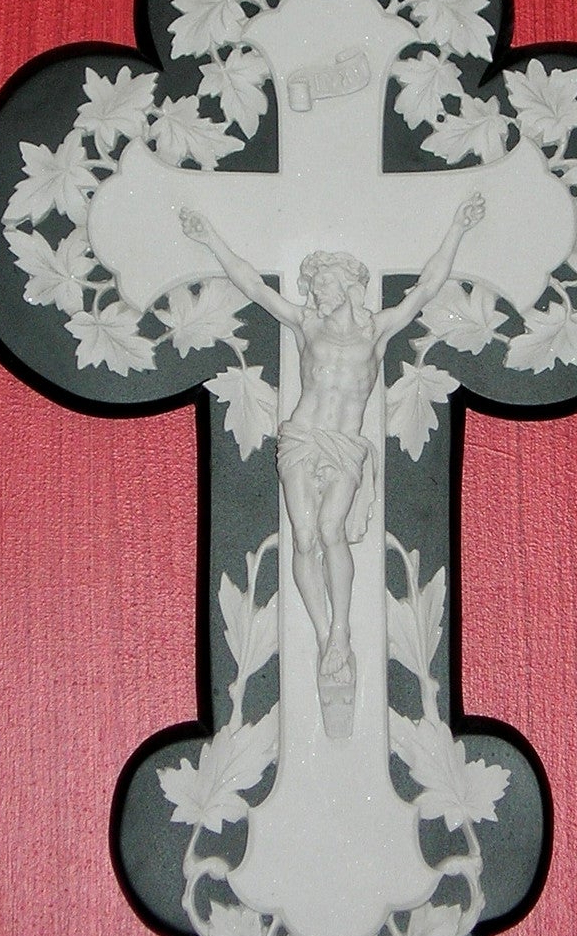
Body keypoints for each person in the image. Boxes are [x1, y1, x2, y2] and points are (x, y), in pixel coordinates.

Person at [179, 193, 485, 738]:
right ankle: (327, 640)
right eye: (314, 286)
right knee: (303, 538)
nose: (315, 293)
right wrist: (210, 239)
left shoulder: (377, 329)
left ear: (346, 286)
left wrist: (458, 229)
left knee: (330, 529)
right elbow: (253, 286)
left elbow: (427, 288)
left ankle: (341, 630)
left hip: (344, 443)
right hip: (301, 436)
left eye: (323, 285)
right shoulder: (305, 325)